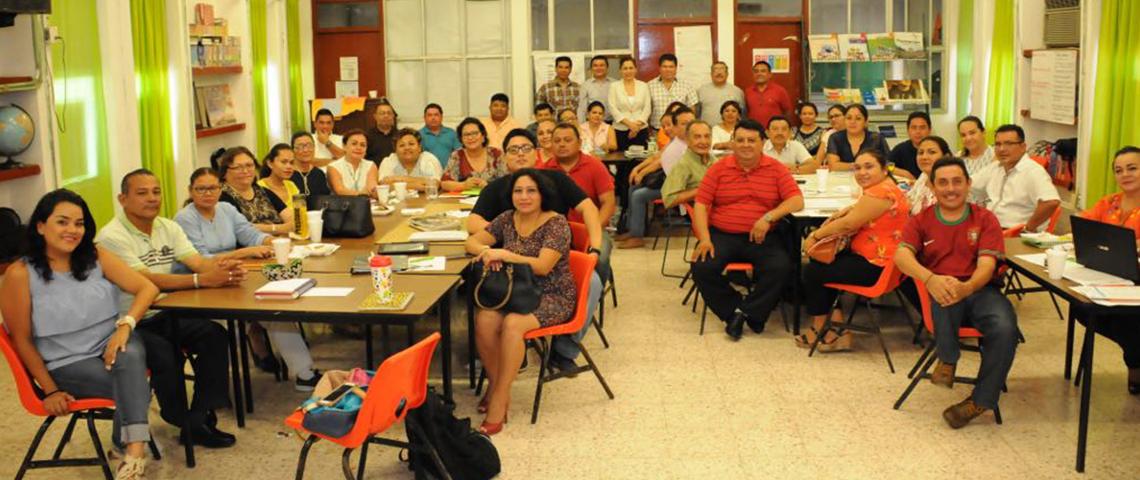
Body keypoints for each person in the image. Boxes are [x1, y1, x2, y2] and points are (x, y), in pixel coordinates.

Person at [1, 189, 160, 479]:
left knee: (131, 353)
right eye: (62, 222)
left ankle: (132, 451)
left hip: (109, 341)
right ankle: (127, 446)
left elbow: (147, 287)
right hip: (65, 360)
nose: (72, 230)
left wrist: (125, 325)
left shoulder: (95, 255)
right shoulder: (19, 274)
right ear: (40, 226)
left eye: (79, 223)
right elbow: (20, 339)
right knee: (135, 384)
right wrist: (49, 390)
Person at [96, 169, 242, 448]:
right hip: (131, 321)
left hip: (168, 311)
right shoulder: (111, 237)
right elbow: (146, 280)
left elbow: (197, 261)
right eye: (142, 193)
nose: (152, 199)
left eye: (156, 191)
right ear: (122, 199)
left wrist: (224, 267)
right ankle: (178, 416)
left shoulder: (168, 227)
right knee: (165, 353)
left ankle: (197, 418)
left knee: (214, 335)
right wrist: (202, 280)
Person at [468, 128, 606, 376]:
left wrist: (595, 248)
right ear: (504, 157)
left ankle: (564, 350)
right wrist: (501, 235)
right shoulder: (496, 188)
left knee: (593, 281)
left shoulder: (556, 180)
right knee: (477, 292)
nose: (520, 154)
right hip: (512, 271)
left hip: (556, 261)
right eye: (513, 150)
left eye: (526, 148)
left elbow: (589, 209)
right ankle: (505, 351)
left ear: (537, 152)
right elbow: (472, 223)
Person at [894, 157, 1018, 428]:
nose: (950, 189)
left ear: (968, 184)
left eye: (957, 181)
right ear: (932, 186)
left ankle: (980, 401)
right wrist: (929, 278)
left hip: (981, 290)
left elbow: (987, 265)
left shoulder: (985, 219)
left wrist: (968, 287)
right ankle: (948, 359)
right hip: (941, 290)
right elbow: (901, 255)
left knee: (1006, 328)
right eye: (943, 183)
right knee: (944, 290)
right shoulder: (921, 220)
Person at [174, 168, 321, 391]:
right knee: (227, 327)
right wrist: (244, 252)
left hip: (234, 276)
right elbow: (201, 259)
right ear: (190, 191)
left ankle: (304, 373)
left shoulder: (226, 208)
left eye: (212, 188)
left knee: (276, 309)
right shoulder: (185, 218)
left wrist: (271, 242)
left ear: (220, 189)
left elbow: (249, 234)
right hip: (201, 286)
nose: (207, 193)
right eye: (200, 189)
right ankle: (218, 388)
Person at [464, 168, 577, 436]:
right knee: (485, 317)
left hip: (553, 294)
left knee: (513, 324)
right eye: (518, 191)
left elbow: (542, 266)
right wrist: (487, 252)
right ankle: (495, 385)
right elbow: (471, 241)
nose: (524, 197)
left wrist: (504, 253)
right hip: (515, 291)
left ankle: (500, 398)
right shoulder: (507, 219)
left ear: (542, 194)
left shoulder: (556, 223)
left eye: (531, 191)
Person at [690, 119, 803, 339]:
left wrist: (769, 217)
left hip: (763, 237)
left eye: (752, 140)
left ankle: (746, 312)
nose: (745, 145)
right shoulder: (718, 169)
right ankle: (737, 312)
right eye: (740, 140)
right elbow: (701, 204)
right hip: (723, 234)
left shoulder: (776, 169)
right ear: (732, 142)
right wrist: (704, 238)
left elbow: (796, 200)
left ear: (763, 142)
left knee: (781, 267)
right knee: (702, 267)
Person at [798, 151, 909, 351]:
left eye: (869, 167)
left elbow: (849, 224)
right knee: (821, 263)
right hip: (882, 261)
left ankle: (825, 329)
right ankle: (835, 329)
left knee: (813, 271)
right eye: (857, 168)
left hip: (878, 266)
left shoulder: (881, 192)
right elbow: (856, 212)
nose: (862, 172)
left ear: (884, 170)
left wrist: (815, 236)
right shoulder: (884, 188)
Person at [1075, 146, 1140, 394]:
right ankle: (1135, 355)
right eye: (1119, 170)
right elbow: (1084, 224)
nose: (1125, 174)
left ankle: (1134, 363)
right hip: (1106, 277)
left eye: (1132, 168)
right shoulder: (1108, 202)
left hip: (1136, 282)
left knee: (1130, 318)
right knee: (1082, 307)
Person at [617, 107, 696, 249]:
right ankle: (633, 229)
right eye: (684, 123)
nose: (666, 129)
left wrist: (641, 172)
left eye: (690, 122)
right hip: (669, 182)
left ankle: (637, 237)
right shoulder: (676, 141)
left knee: (639, 195)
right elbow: (658, 157)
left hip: (680, 188)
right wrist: (638, 169)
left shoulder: (691, 143)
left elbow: (660, 163)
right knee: (634, 187)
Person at [976, 124, 1060, 231]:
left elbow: (1051, 202)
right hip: (990, 228)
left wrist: (1027, 229)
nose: (1002, 149)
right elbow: (970, 186)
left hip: (1013, 233)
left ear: (1023, 147)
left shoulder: (1033, 171)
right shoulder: (995, 168)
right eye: (998, 144)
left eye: (1008, 144)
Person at [216, 147, 294, 235]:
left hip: (279, 242)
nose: (245, 171)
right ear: (225, 172)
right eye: (238, 167)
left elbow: (291, 218)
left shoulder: (262, 191)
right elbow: (241, 227)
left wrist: (285, 227)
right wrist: (277, 228)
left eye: (249, 165)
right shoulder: (221, 196)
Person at [442, 117, 508, 191]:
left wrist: (488, 186)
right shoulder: (457, 155)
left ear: (483, 136)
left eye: (475, 133)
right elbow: (444, 184)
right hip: (463, 201)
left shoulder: (496, 154)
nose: (470, 138)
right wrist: (463, 185)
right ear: (461, 139)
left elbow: (506, 182)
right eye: (466, 134)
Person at [661, 121, 717, 208]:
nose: (703, 141)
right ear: (687, 140)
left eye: (707, 136)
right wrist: (702, 189)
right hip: (705, 213)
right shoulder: (683, 164)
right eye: (697, 137)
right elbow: (669, 199)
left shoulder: (715, 161)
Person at [824, 104, 890, 171]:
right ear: (844, 120)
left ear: (866, 122)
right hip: (842, 179)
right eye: (849, 118)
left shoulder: (876, 138)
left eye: (858, 118)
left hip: (871, 178)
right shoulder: (835, 138)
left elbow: (887, 163)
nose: (852, 122)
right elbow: (833, 166)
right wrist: (859, 166)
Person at [377, 128, 444, 191]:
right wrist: (416, 185)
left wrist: (399, 179)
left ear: (419, 148)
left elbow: (434, 185)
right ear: (395, 150)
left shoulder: (429, 159)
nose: (407, 148)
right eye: (402, 145)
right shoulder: (388, 161)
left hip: (427, 202)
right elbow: (383, 186)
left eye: (411, 144)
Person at [609, 56, 652, 151]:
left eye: (631, 68)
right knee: (621, 161)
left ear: (636, 69)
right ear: (620, 70)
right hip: (620, 130)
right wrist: (630, 125)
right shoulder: (614, 86)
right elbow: (613, 108)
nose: (628, 71)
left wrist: (636, 126)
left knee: (641, 160)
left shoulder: (643, 86)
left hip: (641, 129)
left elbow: (647, 108)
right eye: (625, 68)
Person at [647, 53, 698, 131]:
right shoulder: (649, 86)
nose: (668, 70)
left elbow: (692, 111)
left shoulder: (687, 86)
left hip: (680, 131)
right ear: (659, 68)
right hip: (657, 130)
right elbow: (646, 110)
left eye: (671, 67)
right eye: (665, 66)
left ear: (676, 68)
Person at [907, 136, 954, 215]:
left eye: (932, 152)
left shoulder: (951, 187)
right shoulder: (924, 176)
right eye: (921, 153)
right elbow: (909, 202)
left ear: (946, 157)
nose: (924, 157)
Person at [327, 129, 379, 197]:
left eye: (363, 145)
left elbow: (371, 187)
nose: (358, 148)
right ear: (344, 146)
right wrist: (361, 194)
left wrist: (375, 191)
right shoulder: (333, 167)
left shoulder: (371, 165)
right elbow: (340, 190)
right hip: (343, 205)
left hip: (367, 204)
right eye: (354, 144)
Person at [744, 60, 792, 130]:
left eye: (763, 71)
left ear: (770, 74)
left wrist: (786, 129)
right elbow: (745, 113)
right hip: (753, 131)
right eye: (756, 71)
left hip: (774, 131)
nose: (759, 73)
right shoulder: (748, 91)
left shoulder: (780, 91)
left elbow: (787, 112)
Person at [696, 61, 746, 126]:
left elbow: (742, 114)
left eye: (722, 70)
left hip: (730, 132)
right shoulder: (701, 91)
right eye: (716, 70)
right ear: (711, 74)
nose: (719, 73)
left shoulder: (737, 92)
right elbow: (697, 114)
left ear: (727, 74)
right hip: (707, 132)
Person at [887, 111, 932, 180]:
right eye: (914, 128)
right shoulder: (900, 149)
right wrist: (905, 173)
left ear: (929, 130)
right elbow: (887, 166)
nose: (918, 131)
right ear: (908, 130)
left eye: (922, 128)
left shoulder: (937, 147)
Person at [257, 143, 300, 214]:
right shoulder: (259, 187)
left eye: (292, 162)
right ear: (270, 163)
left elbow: (300, 213)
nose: (289, 166)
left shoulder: (292, 185)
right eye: (284, 162)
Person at [419, 103, 461, 168]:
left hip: (450, 173)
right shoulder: (418, 135)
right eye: (429, 115)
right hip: (428, 174)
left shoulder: (451, 133)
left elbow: (459, 153)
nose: (433, 118)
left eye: (436, 115)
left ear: (441, 117)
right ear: (424, 118)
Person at [290, 131, 331, 196]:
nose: (306, 150)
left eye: (309, 145)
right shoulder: (287, 173)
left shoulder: (319, 174)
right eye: (300, 146)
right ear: (292, 150)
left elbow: (324, 200)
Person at [577, 55, 614, 122]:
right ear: (591, 68)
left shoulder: (615, 83)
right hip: (593, 122)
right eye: (595, 65)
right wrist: (582, 126)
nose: (598, 68)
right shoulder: (585, 85)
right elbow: (582, 109)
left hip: (613, 122)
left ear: (607, 68)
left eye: (602, 65)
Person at [365, 100, 398, 165]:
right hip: (374, 172)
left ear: (393, 116)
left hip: (396, 173)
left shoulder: (400, 136)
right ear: (375, 116)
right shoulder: (367, 136)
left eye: (389, 113)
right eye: (382, 113)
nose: (386, 116)